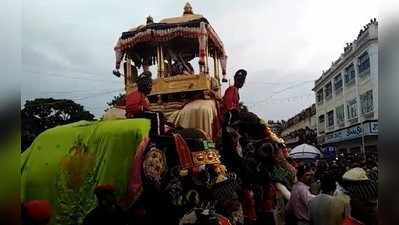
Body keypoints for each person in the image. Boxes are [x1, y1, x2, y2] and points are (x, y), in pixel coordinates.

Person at [125, 71, 165, 136]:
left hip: (140, 113)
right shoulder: (136, 94)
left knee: (159, 115)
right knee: (158, 114)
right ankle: (158, 136)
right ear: (144, 85)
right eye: (149, 85)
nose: (150, 88)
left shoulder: (143, 96)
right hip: (135, 115)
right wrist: (144, 108)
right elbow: (130, 107)